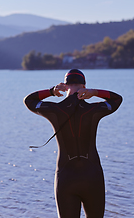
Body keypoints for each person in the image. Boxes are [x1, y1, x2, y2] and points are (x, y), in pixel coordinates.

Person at [24, 69, 122, 218]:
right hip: (92, 177)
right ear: (84, 86)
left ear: (64, 85)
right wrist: (94, 92)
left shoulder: (55, 109)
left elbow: (29, 100)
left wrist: (51, 91)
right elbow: (116, 99)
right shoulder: (93, 109)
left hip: (66, 179)